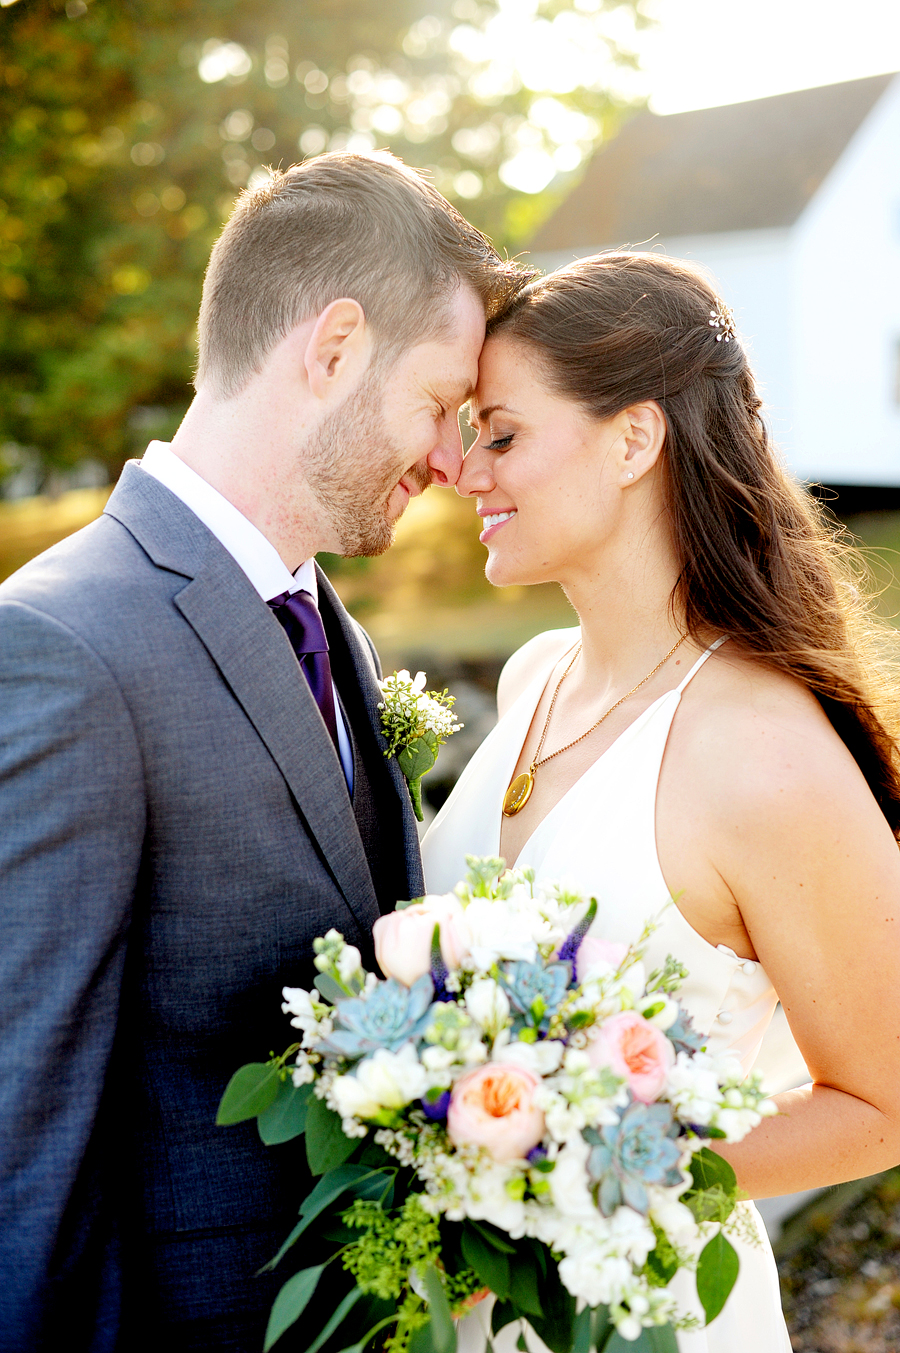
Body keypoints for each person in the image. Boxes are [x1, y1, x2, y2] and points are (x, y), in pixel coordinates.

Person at [0, 152, 528, 1352]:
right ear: (334, 348)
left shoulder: (321, 617)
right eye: (439, 401)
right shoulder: (60, 647)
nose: (452, 459)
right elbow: (18, 1144)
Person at [421, 251, 900, 1351]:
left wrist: (575, 1193)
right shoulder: (535, 675)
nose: (462, 468)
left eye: (500, 432)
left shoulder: (763, 753)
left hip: (650, 1315)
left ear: (635, 439)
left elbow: (883, 1101)